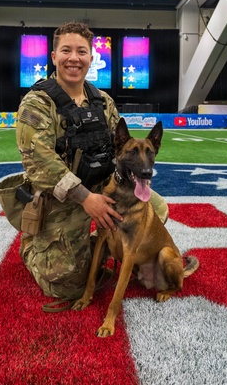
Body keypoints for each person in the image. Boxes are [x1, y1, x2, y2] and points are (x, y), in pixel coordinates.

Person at [15, 21, 166, 301]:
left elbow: (118, 150)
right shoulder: (37, 102)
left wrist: (114, 188)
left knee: (155, 208)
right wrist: (86, 198)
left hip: (100, 187)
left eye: (81, 52)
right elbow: (39, 162)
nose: (74, 58)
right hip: (60, 199)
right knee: (68, 285)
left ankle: (97, 245)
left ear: (91, 58)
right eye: (66, 51)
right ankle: (32, 247)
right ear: (54, 57)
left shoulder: (103, 101)